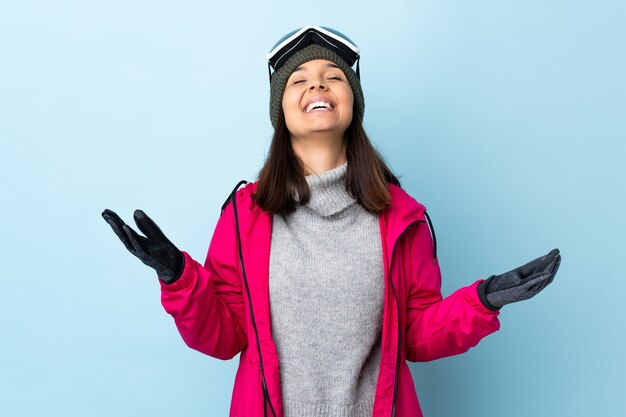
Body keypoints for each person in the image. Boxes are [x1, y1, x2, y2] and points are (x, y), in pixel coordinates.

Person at [102, 26, 561, 417]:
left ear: (352, 102)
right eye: (298, 80)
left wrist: (481, 302)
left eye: (333, 77)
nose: (317, 86)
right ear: (281, 109)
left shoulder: (404, 218)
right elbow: (224, 337)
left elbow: (416, 336)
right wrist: (179, 278)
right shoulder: (244, 215)